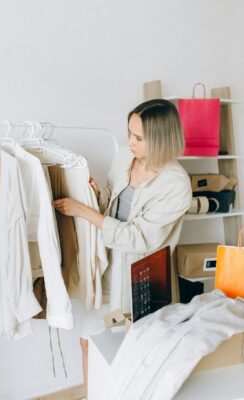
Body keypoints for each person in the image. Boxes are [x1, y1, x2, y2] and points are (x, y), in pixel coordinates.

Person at [53, 99, 192, 394]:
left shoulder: (176, 184)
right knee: (89, 342)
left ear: (161, 139)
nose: (129, 142)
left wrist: (83, 211)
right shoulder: (122, 158)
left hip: (140, 280)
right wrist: (94, 196)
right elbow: (110, 208)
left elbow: (137, 237)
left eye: (138, 138)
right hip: (106, 266)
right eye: (128, 133)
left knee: (128, 355)